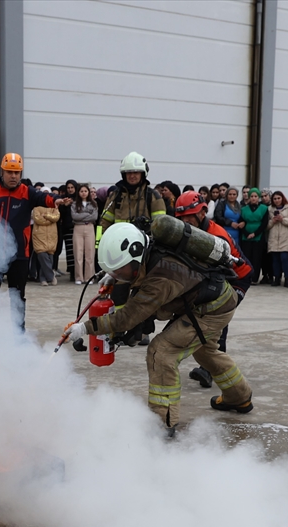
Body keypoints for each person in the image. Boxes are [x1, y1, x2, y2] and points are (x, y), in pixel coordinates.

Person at [63, 222, 253, 437]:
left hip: (211, 309)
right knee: (206, 351)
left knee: (161, 352)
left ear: (135, 257)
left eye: (120, 269)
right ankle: (240, 397)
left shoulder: (161, 277)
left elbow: (127, 318)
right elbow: (135, 279)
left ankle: (162, 423)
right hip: (214, 297)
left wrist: (86, 328)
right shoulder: (150, 250)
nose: (118, 274)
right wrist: (115, 276)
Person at [0, 152, 67, 331]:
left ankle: (18, 334)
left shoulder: (27, 192)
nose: (13, 176)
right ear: (2, 172)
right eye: (10, 172)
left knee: (17, 296)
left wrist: (56, 200)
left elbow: (43, 197)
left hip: (19, 255)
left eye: (17, 172)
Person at [175, 190, 254, 390]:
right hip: (218, 276)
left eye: (188, 217)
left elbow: (223, 273)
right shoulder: (193, 231)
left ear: (201, 213)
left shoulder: (216, 237)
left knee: (218, 318)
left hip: (238, 279)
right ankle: (208, 365)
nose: (185, 222)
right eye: (181, 218)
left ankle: (212, 371)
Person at [97, 152, 167, 345]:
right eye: (129, 173)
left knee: (142, 293)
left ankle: (142, 331)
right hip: (119, 253)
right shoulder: (115, 195)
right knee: (118, 292)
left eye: (136, 172)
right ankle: (119, 329)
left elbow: (162, 225)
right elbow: (103, 222)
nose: (132, 176)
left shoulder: (153, 196)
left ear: (143, 173)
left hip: (143, 253)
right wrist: (99, 247)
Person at [265, 191, 288, 287]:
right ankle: (276, 278)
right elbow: (266, 225)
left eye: (278, 198)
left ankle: (287, 279)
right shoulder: (269, 209)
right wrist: (273, 221)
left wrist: (283, 219)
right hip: (274, 238)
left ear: (282, 198)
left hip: (285, 238)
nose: (277, 200)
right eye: (275, 199)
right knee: (275, 259)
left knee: (285, 258)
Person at [239, 189, 270, 283]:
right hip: (246, 236)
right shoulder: (243, 209)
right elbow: (241, 222)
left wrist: (255, 233)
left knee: (257, 257)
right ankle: (246, 277)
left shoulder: (264, 208)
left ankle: (255, 278)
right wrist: (246, 233)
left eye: (255, 196)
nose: (253, 198)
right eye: (251, 196)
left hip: (258, 236)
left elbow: (264, 223)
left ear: (258, 197)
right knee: (247, 257)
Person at [71, 185, 98, 284]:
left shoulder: (94, 204)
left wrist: (81, 215)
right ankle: (78, 277)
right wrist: (87, 214)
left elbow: (94, 217)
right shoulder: (74, 204)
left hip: (90, 227)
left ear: (88, 192)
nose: (83, 193)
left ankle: (89, 277)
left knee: (90, 253)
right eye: (81, 191)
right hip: (78, 228)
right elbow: (74, 216)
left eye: (85, 191)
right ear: (78, 192)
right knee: (78, 253)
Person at [32, 201, 60, 285]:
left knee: (50, 258)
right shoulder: (36, 208)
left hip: (51, 235)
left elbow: (56, 217)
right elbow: (37, 219)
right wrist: (50, 220)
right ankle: (51, 276)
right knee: (42, 255)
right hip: (39, 235)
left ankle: (43, 279)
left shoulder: (54, 208)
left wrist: (46, 216)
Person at [213, 186, 244, 252]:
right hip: (225, 231)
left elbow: (243, 217)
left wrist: (243, 222)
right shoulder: (222, 204)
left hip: (237, 233)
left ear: (237, 195)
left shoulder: (240, 206)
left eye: (234, 194)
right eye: (230, 194)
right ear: (227, 195)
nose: (232, 196)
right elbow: (218, 217)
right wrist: (230, 223)